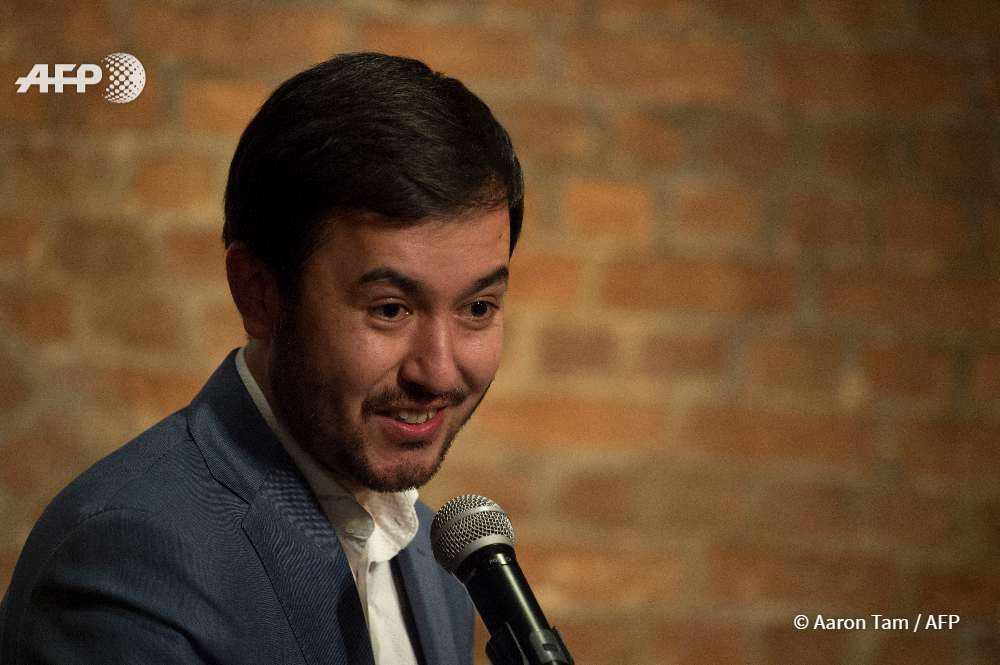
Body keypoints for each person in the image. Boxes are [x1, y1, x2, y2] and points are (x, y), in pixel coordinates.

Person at [0, 52, 524, 664]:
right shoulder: (129, 562)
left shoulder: (442, 572)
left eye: (478, 308)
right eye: (390, 309)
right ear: (259, 294)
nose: (437, 371)